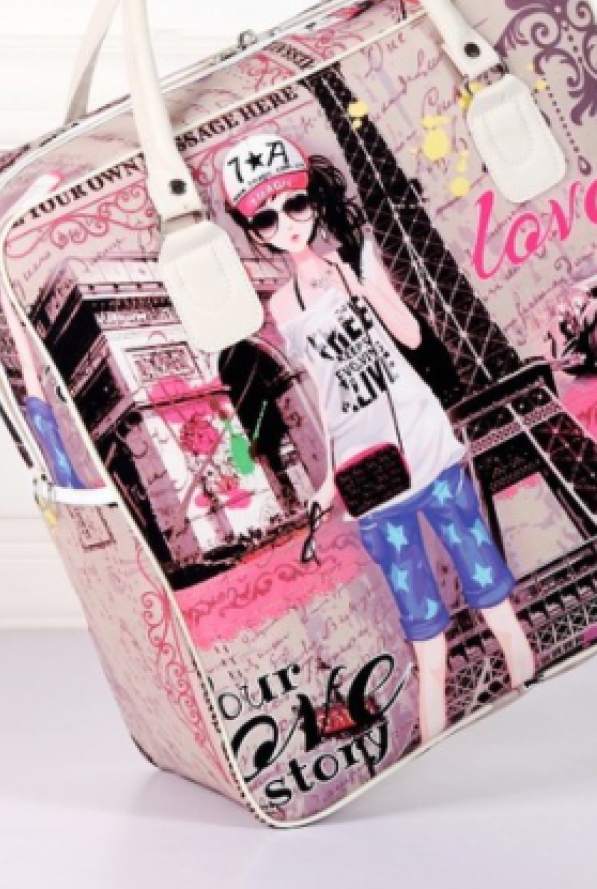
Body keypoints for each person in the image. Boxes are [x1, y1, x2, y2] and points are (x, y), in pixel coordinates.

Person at [221, 133, 535, 741]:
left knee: (491, 593)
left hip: (423, 442)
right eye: (267, 218)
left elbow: (411, 337)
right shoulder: (282, 307)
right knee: (424, 629)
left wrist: (361, 286)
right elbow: (325, 396)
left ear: (313, 200)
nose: (287, 224)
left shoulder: (356, 257)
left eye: (295, 204)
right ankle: (435, 743)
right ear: (254, 231)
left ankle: (528, 691)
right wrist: (326, 484)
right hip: (369, 473)